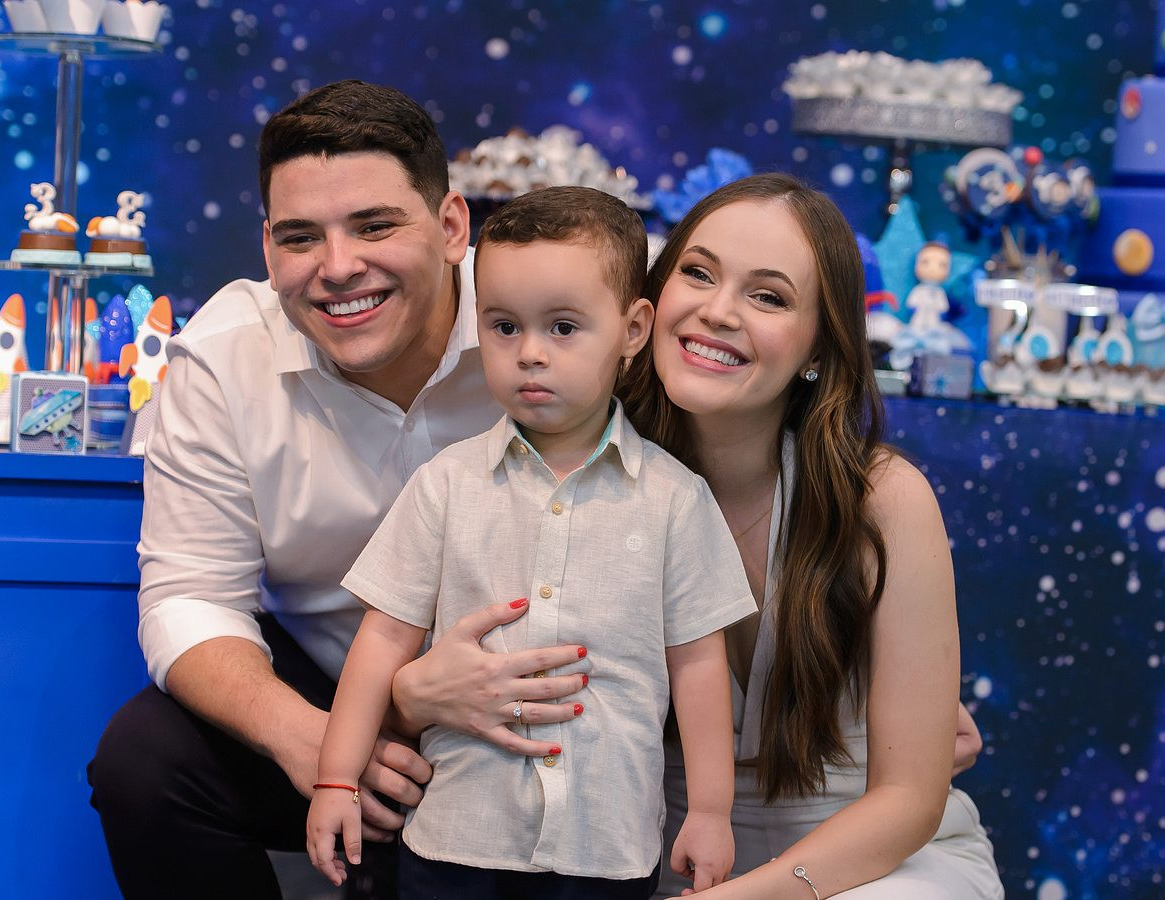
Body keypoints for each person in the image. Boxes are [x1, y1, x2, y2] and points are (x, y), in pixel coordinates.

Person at [390, 173, 1001, 899]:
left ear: (819, 344)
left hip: (865, 862)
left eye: (768, 297)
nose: (717, 311)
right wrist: (412, 695)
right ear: (644, 309)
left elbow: (908, 799)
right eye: (699, 274)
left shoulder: (883, 500)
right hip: (648, 851)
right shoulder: (555, 464)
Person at [86, 80, 586, 899]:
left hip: (534, 696)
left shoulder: (547, 328)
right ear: (266, 247)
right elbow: (189, 596)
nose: (338, 267)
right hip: (323, 682)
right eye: (300, 237)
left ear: (451, 227)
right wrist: (313, 740)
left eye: (374, 225)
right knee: (147, 762)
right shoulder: (224, 357)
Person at [306, 186, 756, 899]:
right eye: (505, 326)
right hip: (458, 837)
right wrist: (336, 778)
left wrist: (708, 812)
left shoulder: (675, 499)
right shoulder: (446, 483)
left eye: (564, 327)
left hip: (603, 845)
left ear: (633, 329)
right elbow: (383, 638)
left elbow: (699, 664)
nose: (530, 354)